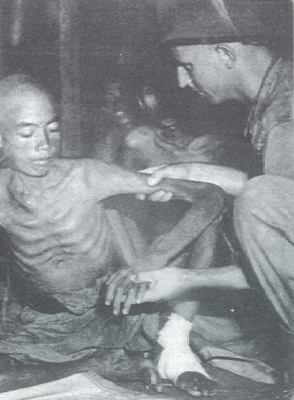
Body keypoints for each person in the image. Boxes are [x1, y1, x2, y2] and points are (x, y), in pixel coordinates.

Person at [0, 73, 226, 398]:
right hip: (48, 324)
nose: (44, 145)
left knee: (208, 219)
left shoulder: (86, 175)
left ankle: (175, 343)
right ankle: (92, 366)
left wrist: (150, 263)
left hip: (117, 307)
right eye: (28, 133)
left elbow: (211, 196)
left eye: (53, 128)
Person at [105, 1, 293, 398]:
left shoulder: (287, 116)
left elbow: (271, 215)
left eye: (187, 66)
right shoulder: (279, 94)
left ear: (224, 54)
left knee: (257, 202)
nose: (182, 80)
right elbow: (278, 193)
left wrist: (187, 280)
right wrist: (186, 172)